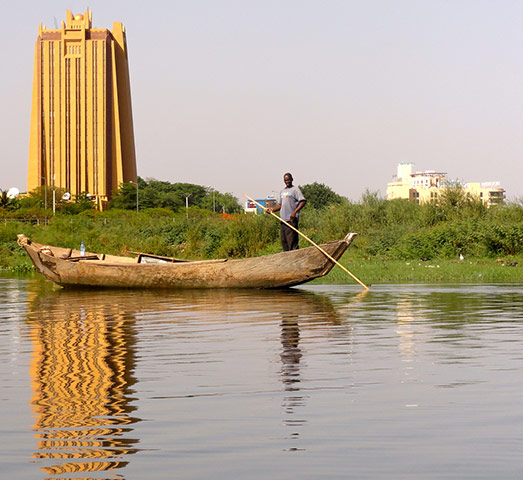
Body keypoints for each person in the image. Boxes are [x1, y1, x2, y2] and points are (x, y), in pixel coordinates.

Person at [267, 173, 306, 251]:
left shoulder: (295, 190)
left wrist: (294, 212)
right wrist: (272, 210)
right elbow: (280, 205)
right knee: (284, 242)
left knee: (292, 242)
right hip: (283, 221)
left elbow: (303, 201)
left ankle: (295, 260)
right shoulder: (282, 191)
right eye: (285, 180)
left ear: (292, 179)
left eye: (288, 180)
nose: (287, 182)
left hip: (291, 221)